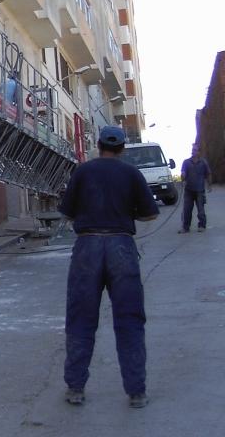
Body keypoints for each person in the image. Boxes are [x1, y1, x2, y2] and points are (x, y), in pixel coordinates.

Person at [58, 126, 159, 409]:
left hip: (87, 247)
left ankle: (75, 389)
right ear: (122, 149)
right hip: (121, 247)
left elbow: (66, 212)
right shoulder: (132, 174)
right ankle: (136, 392)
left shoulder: (83, 172)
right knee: (129, 319)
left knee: (80, 319)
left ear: (98, 145)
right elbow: (150, 214)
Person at [179, 144, 211, 233]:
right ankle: (185, 227)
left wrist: (209, 185)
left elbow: (208, 173)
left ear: (199, 152)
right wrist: (183, 176)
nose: (193, 151)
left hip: (200, 190)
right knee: (187, 210)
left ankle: (202, 226)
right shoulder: (186, 162)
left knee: (201, 210)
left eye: (195, 150)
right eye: (192, 149)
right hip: (189, 190)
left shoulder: (203, 162)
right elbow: (183, 172)